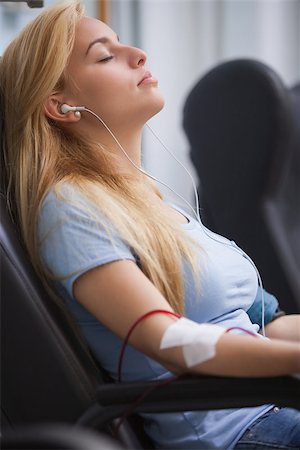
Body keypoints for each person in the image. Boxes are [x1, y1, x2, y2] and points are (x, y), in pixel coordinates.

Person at [0, 1, 299, 449]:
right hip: (239, 434)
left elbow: (265, 323)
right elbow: (170, 339)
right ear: (61, 106)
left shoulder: (157, 206)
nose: (138, 54)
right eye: (105, 55)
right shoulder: (69, 208)